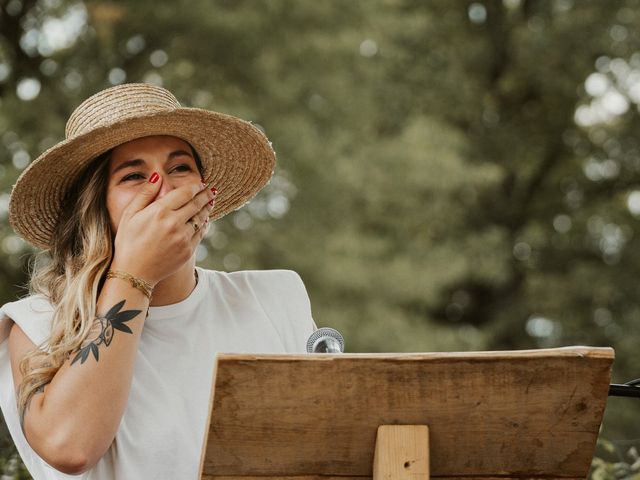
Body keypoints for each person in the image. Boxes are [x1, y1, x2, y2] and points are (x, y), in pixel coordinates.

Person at [0, 83, 317, 479]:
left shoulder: (274, 297)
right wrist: (136, 273)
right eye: (134, 176)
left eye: (180, 167)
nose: (163, 188)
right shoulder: (36, 323)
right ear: (97, 208)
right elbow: (70, 446)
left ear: (206, 191)